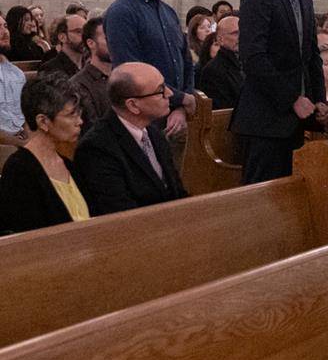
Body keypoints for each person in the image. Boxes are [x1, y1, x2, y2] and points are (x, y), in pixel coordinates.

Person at [231, 0, 328, 183]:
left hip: (295, 120)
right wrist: (292, 99)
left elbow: (310, 55)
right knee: (263, 205)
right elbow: (253, 58)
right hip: (266, 120)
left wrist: (318, 99)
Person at [105, 0, 197, 169]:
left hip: (175, 116)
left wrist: (180, 107)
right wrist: (181, 99)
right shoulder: (122, 12)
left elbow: (186, 62)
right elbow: (131, 72)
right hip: (145, 120)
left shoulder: (168, 12)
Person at [73, 62, 188, 215]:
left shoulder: (154, 134)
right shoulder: (96, 149)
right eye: (160, 90)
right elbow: (121, 214)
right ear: (133, 105)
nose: (169, 94)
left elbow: (176, 192)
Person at [0, 74, 89, 234]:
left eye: (79, 113)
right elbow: (29, 237)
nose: (80, 121)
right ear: (43, 122)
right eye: (71, 115)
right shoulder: (20, 170)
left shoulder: (67, 162)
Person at [71, 16, 111, 134]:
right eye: (108, 38)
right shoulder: (79, 84)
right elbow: (92, 129)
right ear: (91, 43)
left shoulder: (122, 77)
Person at [197, 15, 243, 110]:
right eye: (235, 33)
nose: (241, 37)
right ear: (220, 39)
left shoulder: (245, 62)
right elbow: (223, 109)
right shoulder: (213, 70)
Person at [0, 17, 28, 146]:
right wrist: (25, 146)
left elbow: (25, 115)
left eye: (5, 26)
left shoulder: (16, 73)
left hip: (20, 141)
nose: (5, 32)